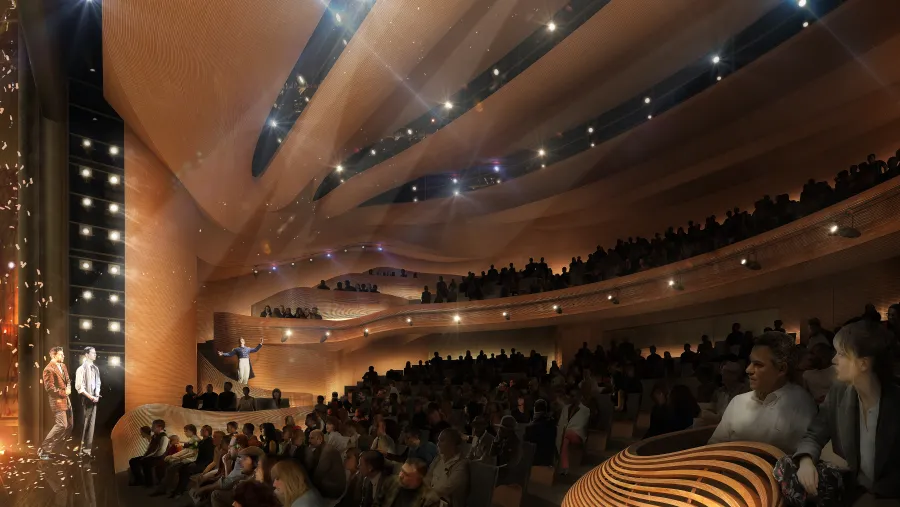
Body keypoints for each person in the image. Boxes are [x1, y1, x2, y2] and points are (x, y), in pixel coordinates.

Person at [776, 320, 900, 504]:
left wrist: (875, 496)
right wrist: (806, 461)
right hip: (856, 488)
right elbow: (814, 434)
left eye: (841, 354)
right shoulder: (839, 392)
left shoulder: (895, 402)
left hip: (891, 495)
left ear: (863, 363)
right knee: (785, 469)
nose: (834, 360)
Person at [708, 332, 817, 454]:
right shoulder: (738, 401)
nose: (748, 370)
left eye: (758, 365)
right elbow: (714, 446)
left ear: (781, 369)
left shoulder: (801, 404)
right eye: (750, 362)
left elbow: (804, 456)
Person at [40, 346, 73, 460]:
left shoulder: (63, 366)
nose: (63, 356)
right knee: (62, 425)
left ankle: (55, 450)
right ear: (54, 356)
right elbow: (50, 389)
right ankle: (44, 449)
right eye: (61, 354)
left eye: (63, 354)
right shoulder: (48, 369)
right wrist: (65, 392)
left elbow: (68, 380)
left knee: (69, 426)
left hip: (66, 400)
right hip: (57, 401)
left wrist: (69, 388)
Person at [426, 429, 469, 507]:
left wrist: (428, 496)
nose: (438, 444)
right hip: (431, 499)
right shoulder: (438, 458)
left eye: (442, 441)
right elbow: (428, 476)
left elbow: (447, 488)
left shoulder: (461, 464)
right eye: (438, 441)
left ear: (452, 444)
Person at [378, 458, 442, 507]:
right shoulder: (392, 481)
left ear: (418, 479)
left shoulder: (429, 499)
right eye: (402, 470)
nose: (400, 475)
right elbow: (377, 503)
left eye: (406, 474)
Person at [75, 346, 101, 458]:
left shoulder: (96, 368)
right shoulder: (81, 369)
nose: (95, 354)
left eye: (95, 353)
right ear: (86, 354)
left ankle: (87, 451)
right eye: (93, 353)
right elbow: (79, 387)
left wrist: (97, 395)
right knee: (84, 425)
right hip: (85, 399)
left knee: (91, 425)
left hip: (94, 399)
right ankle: (80, 451)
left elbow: (98, 383)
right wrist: (90, 397)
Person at [305, 429, 346, 499]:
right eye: (309, 438)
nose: (309, 441)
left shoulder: (327, 451)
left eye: (312, 438)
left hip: (333, 488)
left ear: (319, 439)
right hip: (329, 483)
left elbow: (319, 473)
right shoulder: (320, 449)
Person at [557, 390, 590, 475]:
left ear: (579, 397)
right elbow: (561, 422)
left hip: (578, 434)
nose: (572, 398)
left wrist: (569, 430)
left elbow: (581, 424)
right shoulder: (566, 408)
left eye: (574, 396)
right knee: (565, 440)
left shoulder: (585, 410)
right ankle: (565, 467)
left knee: (566, 436)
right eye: (571, 396)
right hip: (566, 434)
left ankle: (564, 467)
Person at [129, 419, 169, 486]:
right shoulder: (155, 436)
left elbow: (161, 451)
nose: (152, 427)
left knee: (144, 462)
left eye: (153, 426)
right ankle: (142, 480)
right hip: (153, 456)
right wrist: (146, 456)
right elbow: (151, 449)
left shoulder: (164, 437)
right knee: (133, 460)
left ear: (160, 427)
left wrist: (148, 457)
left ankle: (146, 482)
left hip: (159, 458)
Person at [525, 399, 558, 467]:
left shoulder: (531, 427)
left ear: (535, 409)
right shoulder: (553, 425)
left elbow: (528, 448)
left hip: (536, 463)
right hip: (549, 462)